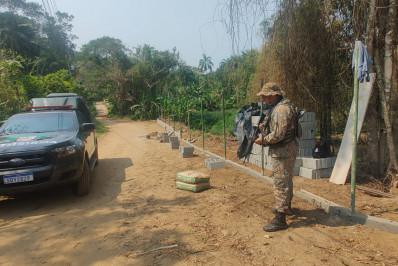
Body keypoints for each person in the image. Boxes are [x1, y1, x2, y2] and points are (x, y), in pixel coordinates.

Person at [254, 82, 298, 232]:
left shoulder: (281, 109)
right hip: (285, 150)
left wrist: (264, 140)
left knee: (280, 183)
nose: (264, 100)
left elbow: (279, 134)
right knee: (285, 180)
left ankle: (280, 219)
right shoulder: (281, 106)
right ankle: (286, 207)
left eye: (265, 96)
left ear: (273, 95)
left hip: (283, 151)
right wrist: (264, 127)